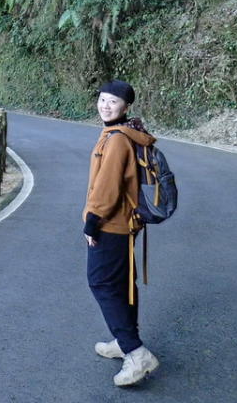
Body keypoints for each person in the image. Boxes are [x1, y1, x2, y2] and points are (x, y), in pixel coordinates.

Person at [83, 79, 160, 386]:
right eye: (102, 99)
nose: (105, 105)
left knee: (102, 282)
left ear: (126, 107)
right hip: (127, 223)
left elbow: (108, 185)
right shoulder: (129, 133)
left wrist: (93, 221)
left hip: (111, 224)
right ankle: (123, 339)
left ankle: (136, 353)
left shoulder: (117, 139)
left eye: (112, 101)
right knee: (123, 283)